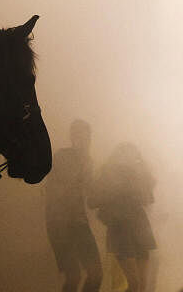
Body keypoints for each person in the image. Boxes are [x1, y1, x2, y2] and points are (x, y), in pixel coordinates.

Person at [88, 143, 156, 292]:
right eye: (124, 154)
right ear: (117, 156)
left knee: (141, 286)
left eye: (132, 155)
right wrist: (114, 190)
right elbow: (92, 201)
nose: (128, 158)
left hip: (139, 225)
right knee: (134, 284)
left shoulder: (138, 173)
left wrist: (140, 178)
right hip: (120, 228)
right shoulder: (108, 173)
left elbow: (149, 199)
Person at [45, 119, 103, 292]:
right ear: (72, 136)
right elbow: (56, 190)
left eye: (87, 136)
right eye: (80, 135)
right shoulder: (62, 156)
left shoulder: (88, 161)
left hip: (79, 223)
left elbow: (91, 198)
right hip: (58, 223)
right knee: (74, 276)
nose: (85, 140)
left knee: (96, 274)